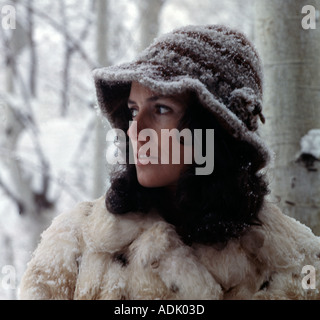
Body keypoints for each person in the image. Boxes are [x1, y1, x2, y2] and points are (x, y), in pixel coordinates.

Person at [20, 24, 320, 300]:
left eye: (161, 109)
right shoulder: (74, 246)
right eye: (134, 110)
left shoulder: (297, 265)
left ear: (215, 128)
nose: (135, 131)